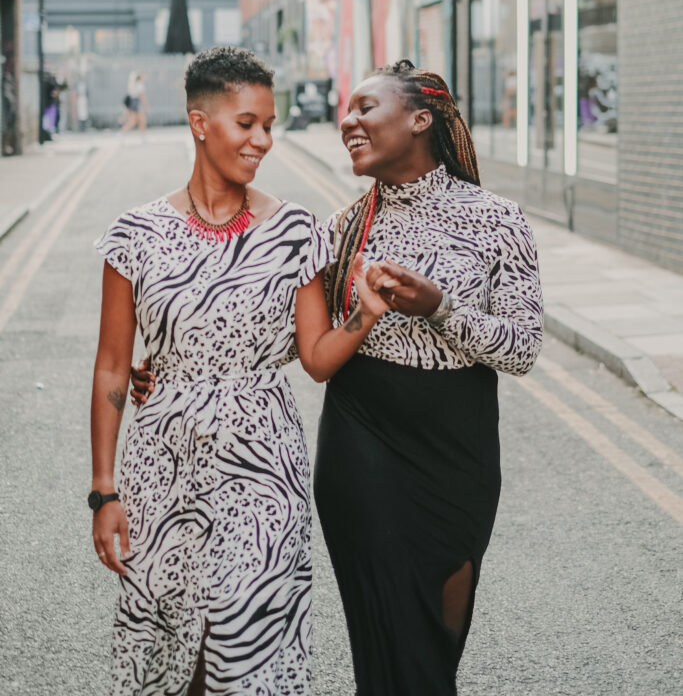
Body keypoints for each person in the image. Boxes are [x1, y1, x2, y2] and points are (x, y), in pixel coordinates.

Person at [90, 46, 391, 696]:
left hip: (263, 474)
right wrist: (104, 492)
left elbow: (315, 360)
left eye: (268, 124)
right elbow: (114, 367)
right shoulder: (135, 235)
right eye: (246, 123)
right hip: (161, 472)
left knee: (249, 651)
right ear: (201, 123)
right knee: (170, 647)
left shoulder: (293, 232)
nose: (263, 140)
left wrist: (362, 316)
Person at [313, 59, 544, 695]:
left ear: (420, 119)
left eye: (365, 108)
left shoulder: (497, 219)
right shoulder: (344, 226)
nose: (348, 121)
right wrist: (171, 366)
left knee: (441, 634)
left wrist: (440, 308)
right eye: (348, 111)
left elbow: (523, 349)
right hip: (360, 438)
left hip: (456, 447)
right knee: (389, 634)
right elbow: (302, 340)